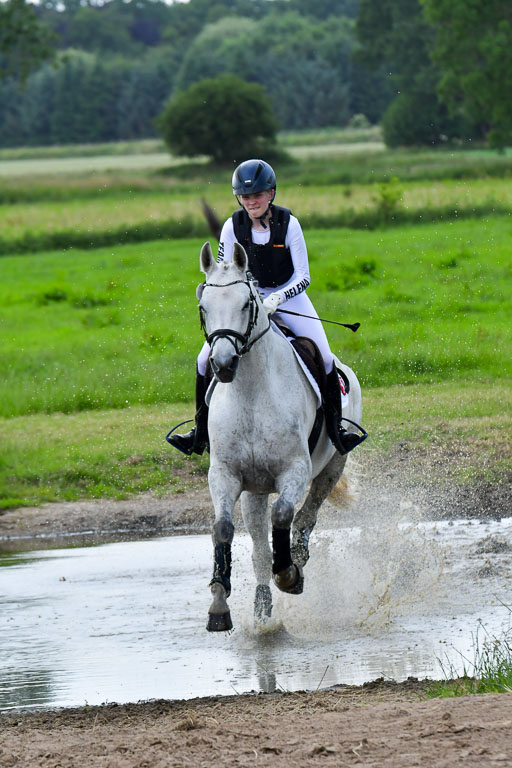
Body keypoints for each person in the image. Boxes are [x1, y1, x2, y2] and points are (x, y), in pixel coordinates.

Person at [168, 158, 366, 457]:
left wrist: (277, 299)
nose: (251, 202)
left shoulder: (289, 224)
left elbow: (304, 277)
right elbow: (223, 270)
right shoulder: (232, 226)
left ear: (271, 193)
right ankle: (199, 432)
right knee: (203, 359)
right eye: (245, 196)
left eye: (257, 195)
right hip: (248, 299)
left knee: (325, 357)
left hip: (289, 295)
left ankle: (337, 430)